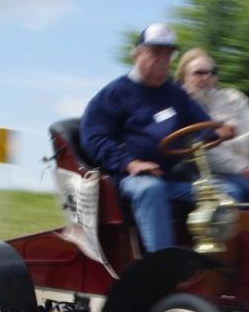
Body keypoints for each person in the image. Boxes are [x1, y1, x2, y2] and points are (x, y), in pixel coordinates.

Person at [79, 24, 234, 252]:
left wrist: (218, 132)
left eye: (168, 53)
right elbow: (94, 138)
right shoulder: (115, 93)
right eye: (155, 52)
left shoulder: (175, 93)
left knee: (227, 193)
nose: (163, 59)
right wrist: (130, 163)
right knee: (150, 189)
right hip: (127, 179)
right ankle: (163, 268)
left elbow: (200, 125)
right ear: (137, 53)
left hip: (171, 178)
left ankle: (218, 266)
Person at [176, 48, 249, 204]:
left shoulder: (234, 97)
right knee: (241, 194)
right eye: (199, 73)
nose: (207, 77)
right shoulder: (182, 107)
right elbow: (199, 150)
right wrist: (241, 169)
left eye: (212, 72)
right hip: (217, 173)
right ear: (183, 78)